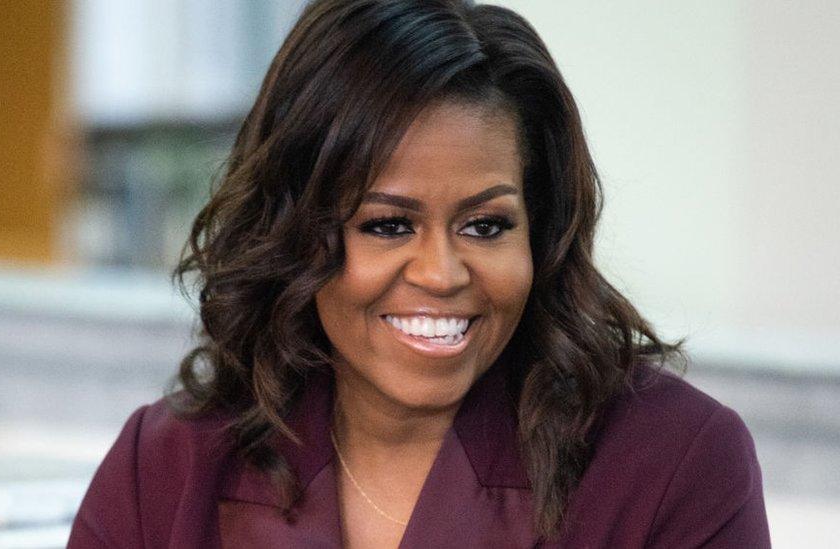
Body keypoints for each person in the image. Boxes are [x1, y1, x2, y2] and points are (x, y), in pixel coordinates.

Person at [68, 1, 771, 547]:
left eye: (485, 225)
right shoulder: (164, 469)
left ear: (542, 231)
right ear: (295, 233)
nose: (441, 272)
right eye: (388, 224)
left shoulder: (674, 463)